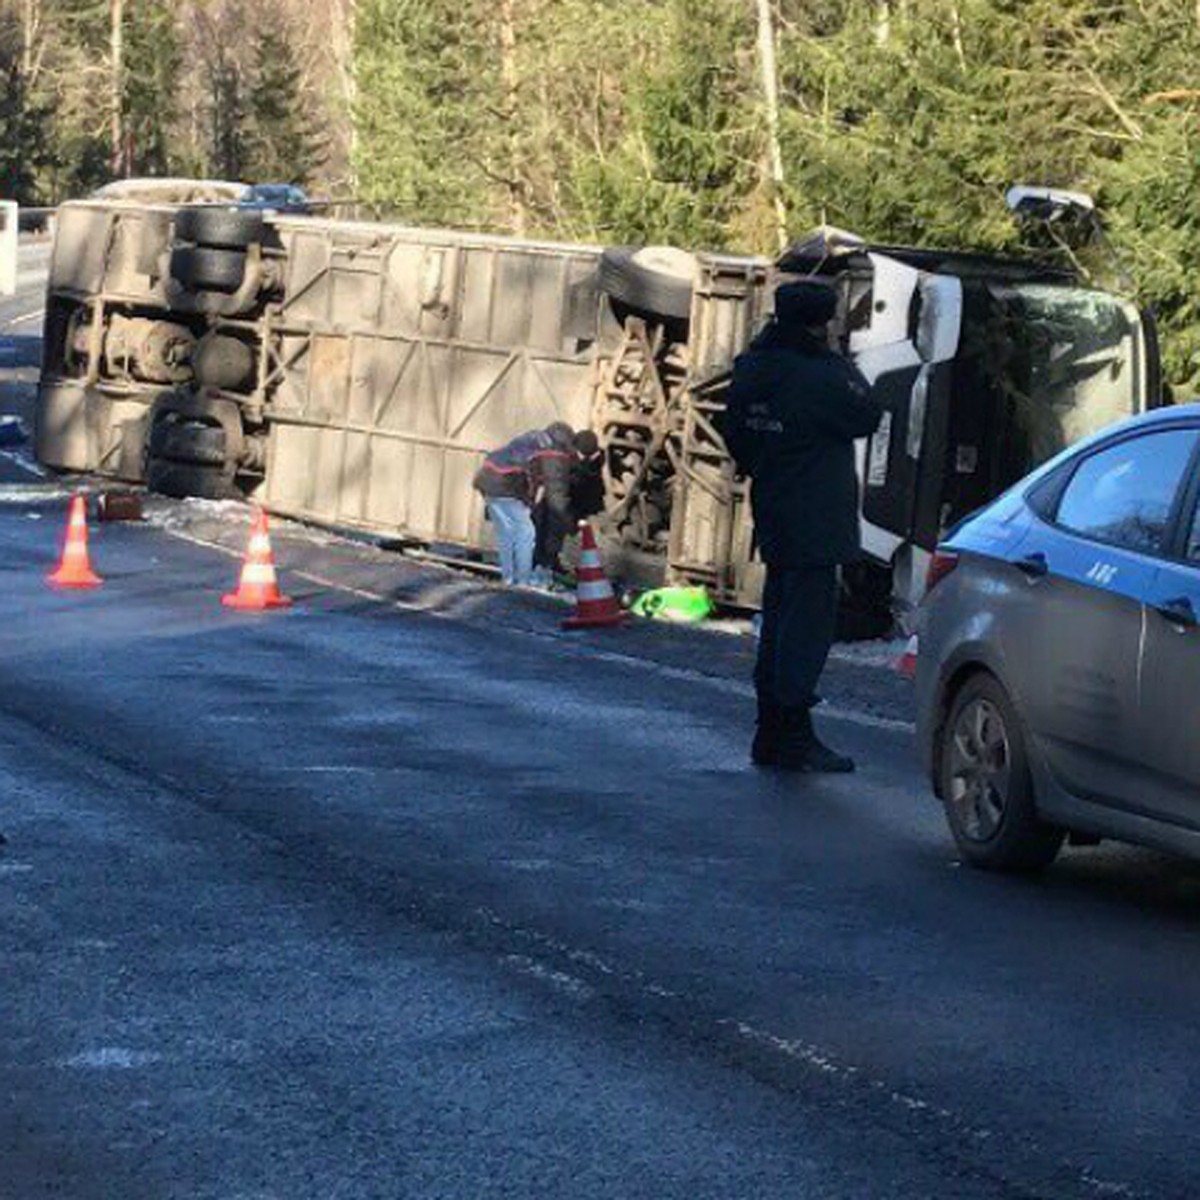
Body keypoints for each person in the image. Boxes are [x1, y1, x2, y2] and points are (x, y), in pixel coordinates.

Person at [721, 280, 882, 773]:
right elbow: (867, 414)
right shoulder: (822, 374)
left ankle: (769, 728)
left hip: (774, 502)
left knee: (778, 617)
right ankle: (792, 730)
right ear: (822, 322)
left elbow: (735, 433)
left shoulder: (754, 367)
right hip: (817, 511)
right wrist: (835, 358)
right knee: (806, 626)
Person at [474, 422, 589, 588]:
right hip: (504, 481)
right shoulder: (555, 455)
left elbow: (531, 477)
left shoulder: (540, 439)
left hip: (490, 475)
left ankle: (513, 571)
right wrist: (570, 524)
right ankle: (521, 578)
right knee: (526, 532)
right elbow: (557, 501)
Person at [532, 429, 606, 582]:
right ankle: (541, 561)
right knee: (547, 522)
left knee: (555, 523)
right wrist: (572, 521)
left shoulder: (582, 459)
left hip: (565, 499)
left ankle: (548, 559)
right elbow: (557, 495)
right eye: (584, 455)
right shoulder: (559, 458)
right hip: (550, 498)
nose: (586, 459)